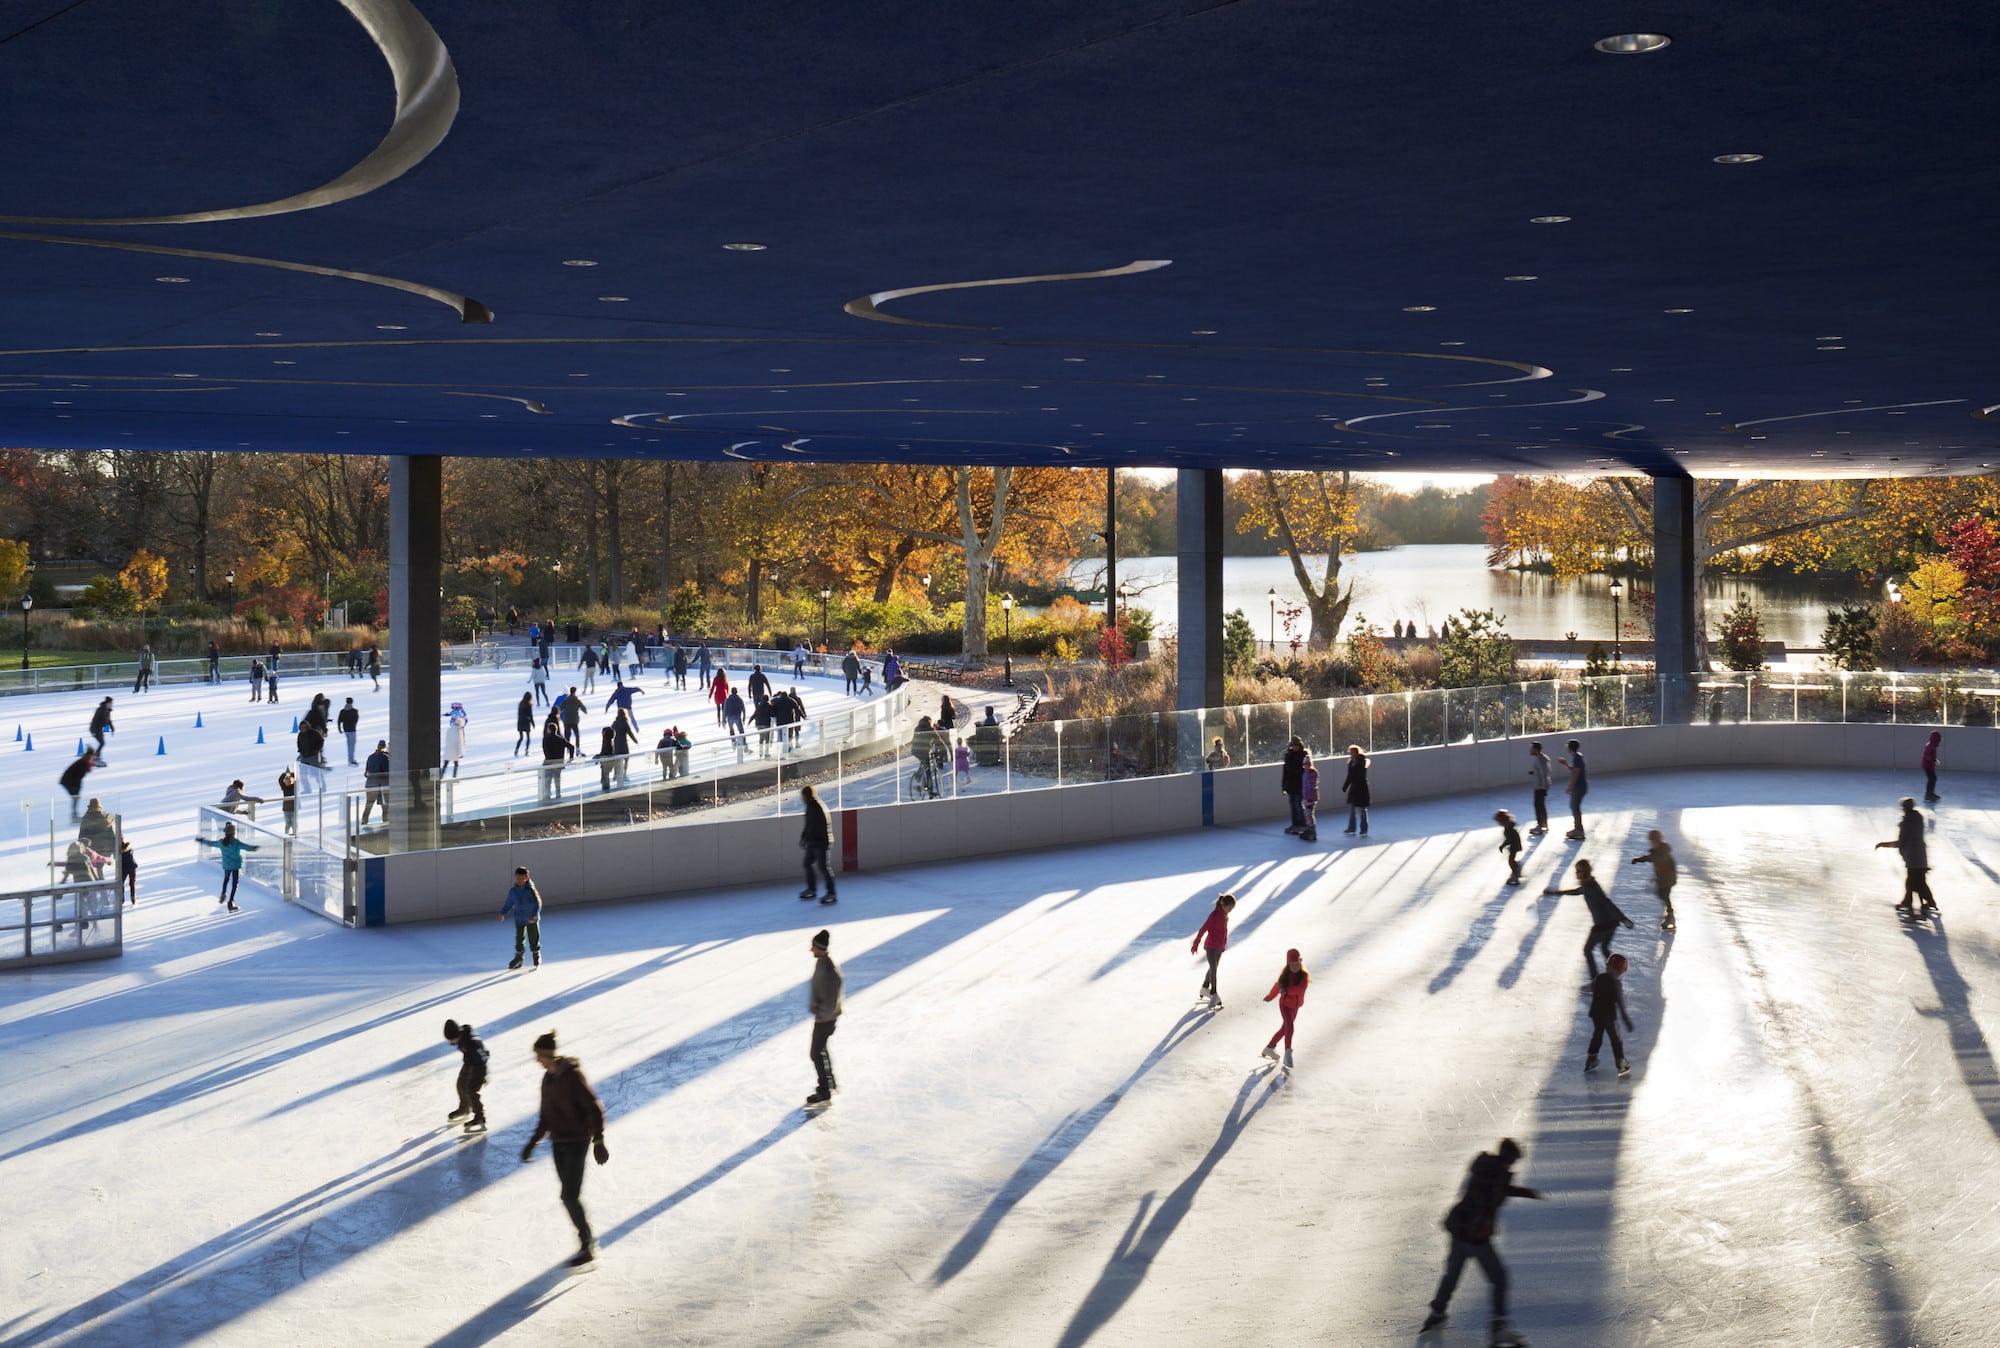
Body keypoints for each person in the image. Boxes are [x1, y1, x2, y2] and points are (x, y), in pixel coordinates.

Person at [1421, 1138, 1543, 1345]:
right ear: (1509, 1158)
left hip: (1459, 1231)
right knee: (1499, 1278)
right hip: (1475, 1237)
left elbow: (1495, 1189)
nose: (1512, 1165)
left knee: (1452, 1275)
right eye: (1513, 1161)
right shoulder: (1497, 1174)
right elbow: (1489, 1194)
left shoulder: (1486, 1167)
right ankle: (1498, 1327)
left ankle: (1436, 1314)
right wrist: (1482, 1219)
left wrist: (1523, 1192)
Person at [519, 1028, 609, 1267]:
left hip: (577, 1143)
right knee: (569, 1196)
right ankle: (586, 1241)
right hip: (558, 1144)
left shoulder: (572, 1076)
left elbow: (594, 1108)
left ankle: (588, 1244)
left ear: (548, 1055)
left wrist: (598, 1140)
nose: (536, 1060)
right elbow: (545, 1116)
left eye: (539, 1055)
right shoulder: (547, 1080)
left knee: (569, 1195)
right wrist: (532, 1142)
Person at [1550, 859, 1633, 978]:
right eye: (1576, 870)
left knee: (1587, 950)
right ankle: (1615, 973)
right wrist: (1556, 893)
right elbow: (1576, 891)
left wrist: (1622, 917)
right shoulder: (1588, 884)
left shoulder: (1591, 886)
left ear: (1585, 872)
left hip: (1603, 924)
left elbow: (1606, 901)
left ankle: (1596, 979)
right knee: (1604, 948)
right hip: (1611, 923)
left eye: (1579, 871)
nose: (1576, 873)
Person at [1875, 796, 1937, 916]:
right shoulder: (1917, 819)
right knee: (1918, 882)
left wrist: (1883, 844)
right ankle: (1926, 902)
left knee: (1913, 882)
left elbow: (1901, 842)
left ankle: (1912, 902)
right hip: (1920, 856)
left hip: (1913, 858)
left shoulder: (1907, 822)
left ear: (1904, 808)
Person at [806, 929, 844, 1108]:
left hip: (825, 1019)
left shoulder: (828, 968)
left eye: (813, 946)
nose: (810, 950)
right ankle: (829, 1083)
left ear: (820, 948)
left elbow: (833, 993)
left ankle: (824, 1090)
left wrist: (822, 1014)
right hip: (824, 1017)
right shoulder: (822, 962)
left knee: (815, 1053)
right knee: (821, 1051)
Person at [1585, 952, 1635, 1074]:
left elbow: (1590, 987)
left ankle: (1591, 1058)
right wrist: (1626, 1019)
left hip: (1596, 1013)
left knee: (1597, 1035)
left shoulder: (1599, 977)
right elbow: (1620, 1004)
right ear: (1619, 971)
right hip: (1608, 1016)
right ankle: (1621, 1062)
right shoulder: (1616, 983)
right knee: (1616, 1039)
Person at [196, 821, 260, 912]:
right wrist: (254, 848)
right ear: (233, 833)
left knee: (226, 879)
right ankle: (230, 902)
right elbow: (246, 847)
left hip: (227, 865)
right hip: (235, 865)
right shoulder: (236, 842)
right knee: (234, 884)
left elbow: (211, 843)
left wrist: (202, 840)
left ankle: (223, 893)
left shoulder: (221, 842)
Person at [1260, 948, 1309, 1067]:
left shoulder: (1303, 976)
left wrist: (1287, 990)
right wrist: (1270, 996)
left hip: (1295, 1006)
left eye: (1297, 963)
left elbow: (1300, 989)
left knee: (1284, 1029)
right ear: (1288, 964)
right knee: (1290, 1028)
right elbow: (1277, 987)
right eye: (1292, 964)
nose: (1295, 966)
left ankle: (1270, 1047)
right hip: (1285, 1005)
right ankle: (1288, 1053)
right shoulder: (1285, 977)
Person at [1190, 892, 1237, 1008]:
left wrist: (1223, 945)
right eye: (1229, 908)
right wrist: (1196, 943)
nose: (1230, 910)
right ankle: (1213, 993)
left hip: (1219, 947)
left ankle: (1205, 987)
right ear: (1224, 905)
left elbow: (1224, 932)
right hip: (1211, 946)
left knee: (1213, 967)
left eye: (1232, 908)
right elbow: (1203, 929)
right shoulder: (1214, 915)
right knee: (1213, 968)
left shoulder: (1225, 915)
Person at [443, 1019, 489, 1134]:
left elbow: (484, 1055)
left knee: (472, 1091)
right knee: (461, 1084)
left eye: (451, 1040)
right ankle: (464, 1109)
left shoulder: (471, 1042)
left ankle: (480, 1118)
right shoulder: (462, 1037)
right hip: (469, 1063)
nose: (451, 1043)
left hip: (478, 1067)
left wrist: (483, 1074)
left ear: (456, 1035)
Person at [1629, 829, 1678, 930]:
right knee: (1661, 894)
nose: (1651, 843)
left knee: (1664, 895)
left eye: (1653, 841)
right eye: (1651, 841)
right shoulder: (1657, 851)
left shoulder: (1662, 851)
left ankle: (1671, 917)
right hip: (1663, 879)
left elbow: (1662, 861)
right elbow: (1650, 858)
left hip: (1667, 879)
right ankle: (1669, 914)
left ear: (1657, 841)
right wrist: (1638, 860)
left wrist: (1663, 871)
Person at [501, 865, 544, 969]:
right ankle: (519, 957)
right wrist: (503, 912)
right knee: (519, 938)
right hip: (519, 918)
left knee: (533, 937)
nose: (520, 880)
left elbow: (538, 903)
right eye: (518, 878)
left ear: (527, 878)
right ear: (515, 877)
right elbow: (509, 902)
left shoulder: (531, 890)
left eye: (522, 878)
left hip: (531, 919)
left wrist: (534, 915)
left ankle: (536, 953)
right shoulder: (513, 891)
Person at [800, 782, 836, 904]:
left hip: (821, 842)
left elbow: (816, 826)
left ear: (807, 796)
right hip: (814, 841)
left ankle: (831, 893)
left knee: (823, 867)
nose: (802, 799)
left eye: (803, 796)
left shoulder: (816, 807)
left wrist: (807, 838)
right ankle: (812, 889)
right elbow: (808, 825)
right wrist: (804, 837)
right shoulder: (810, 806)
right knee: (807, 863)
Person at [1556, 739, 1588, 840]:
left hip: (1579, 786)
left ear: (1570, 747)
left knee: (1575, 807)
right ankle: (1577, 828)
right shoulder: (1577, 757)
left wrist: (1570, 786)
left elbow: (1576, 773)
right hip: (1579, 786)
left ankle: (1579, 830)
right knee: (1574, 807)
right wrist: (1565, 763)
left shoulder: (1577, 758)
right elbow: (1574, 770)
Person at [1281, 735, 1308, 835]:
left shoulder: (1304, 755)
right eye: (1293, 745)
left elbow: (1306, 771)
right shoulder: (1288, 756)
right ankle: (1295, 824)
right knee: (1292, 805)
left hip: (1300, 784)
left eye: (1297, 745)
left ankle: (1303, 824)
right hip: (1291, 785)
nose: (1295, 747)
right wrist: (1283, 786)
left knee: (1298, 805)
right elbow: (1285, 772)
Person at [58, 748, 95, 822]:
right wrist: (77, 786)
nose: (94, 757)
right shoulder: (83, 762)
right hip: (68, 781)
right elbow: (79, 775)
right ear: (90, 756)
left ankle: (74, 816)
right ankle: (74, 816)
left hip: (69, 781)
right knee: (75, 797)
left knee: (75, 797)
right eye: (93, 756)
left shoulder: (83, 761)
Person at [1342, 744, 1371, 836]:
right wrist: (1345, 786)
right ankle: (1352, 828)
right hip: (1354, 789)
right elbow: (1349, 776)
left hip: (1361, 788)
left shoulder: (1361, 762)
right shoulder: (1351, 763)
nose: (1351, 754)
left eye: (1353, 753)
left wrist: (1349, 784)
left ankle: (1363, 829)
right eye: (1351, 753)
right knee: (1351, 808)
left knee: (1362, 809)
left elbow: (1360, 775)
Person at [296, 717, 327, 796]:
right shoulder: (300, 734)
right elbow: (299, 743)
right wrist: (300, 751)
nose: (303, 729)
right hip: (304, 757)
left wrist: (317, 750)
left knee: (316, 773)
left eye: (304, 727)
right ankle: (307, 789)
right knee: (303, 775)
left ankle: (322, 787)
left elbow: (321, 741)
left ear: (307, 727)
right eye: (301, 728)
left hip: (313, 757)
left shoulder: (314, 733)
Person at [540, 714, 568, 801]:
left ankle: (547, 796)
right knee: (557, 779)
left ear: (548, 730)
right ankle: (558, 794)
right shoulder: (560, 739)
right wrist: (570, 757)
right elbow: (571, 747)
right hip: (559, 763)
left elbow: (545, 750)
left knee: (547, 780)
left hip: (549, 763)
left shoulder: (546, 739)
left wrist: (548, 757)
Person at [361, 741, 390, 824]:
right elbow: (387, 772)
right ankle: (386, 823)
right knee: (385, 806)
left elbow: (366, 773)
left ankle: (364, 821)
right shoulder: (385, 757)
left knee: (369, 805)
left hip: (370, 784)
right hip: (381, 785)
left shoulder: (370, 757)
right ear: (384, 747)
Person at [1526, 742, 1551, 835]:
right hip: (1541, 785)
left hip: (1540, 786)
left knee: (1538, 805)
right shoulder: (1542, 758)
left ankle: (1540, 826)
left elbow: (1543, 773)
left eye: (1531, 748)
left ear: (1536, 749)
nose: (1530, 750)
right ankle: (1544, 824)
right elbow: (1542, 771)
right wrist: (1533, 772)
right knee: (1541, 805)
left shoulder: (1539, 759)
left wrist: (1544, 787)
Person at [1495, 810, 1523, 886]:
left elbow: (1510, 840)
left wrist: (1503, 845)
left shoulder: (1509, 829)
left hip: (1514, 846)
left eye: (1499, 822)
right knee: (1511, 860)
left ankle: (1515, 874)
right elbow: (1509, 839)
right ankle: (1517, 870)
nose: (1499, 823)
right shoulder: (1508, 827)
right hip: (1514, 846)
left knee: (1511, 861)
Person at [441, 701, 469, 777]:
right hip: (455, 751)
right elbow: (459, 742)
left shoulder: (450, 729)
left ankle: (442, 775)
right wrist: (461, 753)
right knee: (455, 763)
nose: (452, 708)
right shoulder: (457, 730)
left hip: (448, 751)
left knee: (446, 763)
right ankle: (454, 777)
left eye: (453, 707)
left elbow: (460, 717)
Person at [1298, 755, 1320, 842]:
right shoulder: (1305, 774)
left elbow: (1311, 788)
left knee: (1309, 815)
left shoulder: (1311, 774)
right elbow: (1305, 787)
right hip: (1306, 798)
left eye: (1307, 764)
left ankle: (1312, 831)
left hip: (1310, 799)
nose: (1305, 766)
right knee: (1308, 815)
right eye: (1304, 765)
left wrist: (1309, 799)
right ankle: (1310, 830)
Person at [559, 687, 584, 760]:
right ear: (575, 692)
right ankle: (577, 747)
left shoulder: (566, 700)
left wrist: (557, 714)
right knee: (577, 734)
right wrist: (585, 711)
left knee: (567, 734)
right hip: (574, 720)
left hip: (567, 720)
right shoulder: (576, 700)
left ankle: (567, 747)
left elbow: (560, 708)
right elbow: (582, 707)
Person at [88, 696, 114, 761]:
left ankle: (96, 757)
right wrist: (93, 731)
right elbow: (94, 720)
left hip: (99, 729)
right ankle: (95, 757)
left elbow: (109, 720)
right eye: (111, 703)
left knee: (102, 743)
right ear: (107, 703)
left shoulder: (107, 711)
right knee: (102, 743)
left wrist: (112, 728)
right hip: (95, 729)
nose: (112, 705)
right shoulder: (100, 710)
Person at [337, 697, 361, 764]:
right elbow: (356, 719)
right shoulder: (354, 711)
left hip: (346, 730)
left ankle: (350, 759)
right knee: (352, 745)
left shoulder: (342, 711)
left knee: (349, 745)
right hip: (352, 730)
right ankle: (351, 759)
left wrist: (339, 728)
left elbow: (339, 720)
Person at [277, 766, 298, 836]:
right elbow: (280, 780)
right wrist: (285, 774)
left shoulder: (294, 787)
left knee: (294, 823)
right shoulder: (284, 788)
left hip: (293, 808)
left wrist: (291, 774)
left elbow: (296, 780)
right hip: (286, 809)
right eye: (286, 781)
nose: (287, 783)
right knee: (287, 823)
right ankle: (286, 835)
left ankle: (295, 834)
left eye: (289, 781)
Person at [1921, 730, 1942, 802]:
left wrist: (1934, 760)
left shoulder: (1932, 745)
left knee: (1933, 779)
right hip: (1927, 765)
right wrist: (1932, 760)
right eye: (1939, 739)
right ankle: (1928, 795)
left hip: (1929, 765)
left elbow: (1930, 756)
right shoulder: (1931, 746)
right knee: (1932, 779)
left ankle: (1931, 793)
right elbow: (1927, 755)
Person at [514, 691, 536, 756]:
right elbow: (530, 715)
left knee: (521, 738)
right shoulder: (529, 705)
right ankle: (527, 750)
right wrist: (533, 723)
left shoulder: (520, 704)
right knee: (528, 737)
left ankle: (516, 750)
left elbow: (519, 713)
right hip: (526, 722)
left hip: (520, 722)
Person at [119, 838, 138, 905]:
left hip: (124, 868)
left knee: (121, 884)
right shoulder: (129, 848)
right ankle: (133, 897)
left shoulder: (119, 851)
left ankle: (121, 899)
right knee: (132, 883)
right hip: (132, 867)